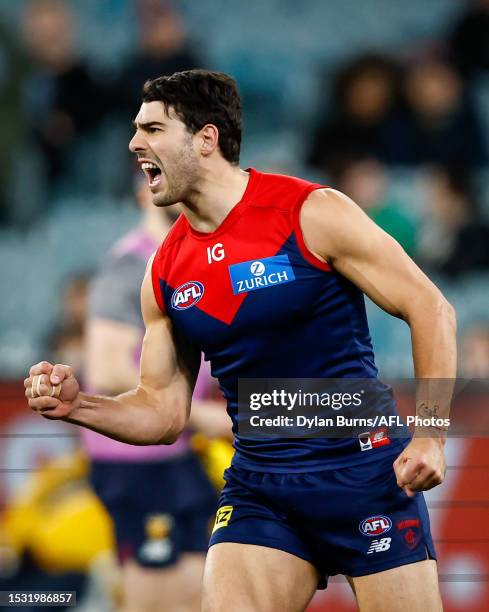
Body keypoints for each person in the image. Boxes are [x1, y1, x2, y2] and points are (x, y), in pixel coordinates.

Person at [25, 69, 457, 612]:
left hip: (365, 472)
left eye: (153, 129)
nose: (134, 143)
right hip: (261, 485)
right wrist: (78, 404)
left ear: (205, 139)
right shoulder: (164, 271)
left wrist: (433, 435)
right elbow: (162, 413)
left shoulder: (310, 212)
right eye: (136, 129)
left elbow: (432, 308)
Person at [83, 175, 229, 612]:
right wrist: (198, 414)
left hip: (172, 451)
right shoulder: (129, 267)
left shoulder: (195, 261)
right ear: (142, 192)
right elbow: (107, 369)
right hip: (136, 458)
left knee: (199, 591)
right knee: (167, 599)